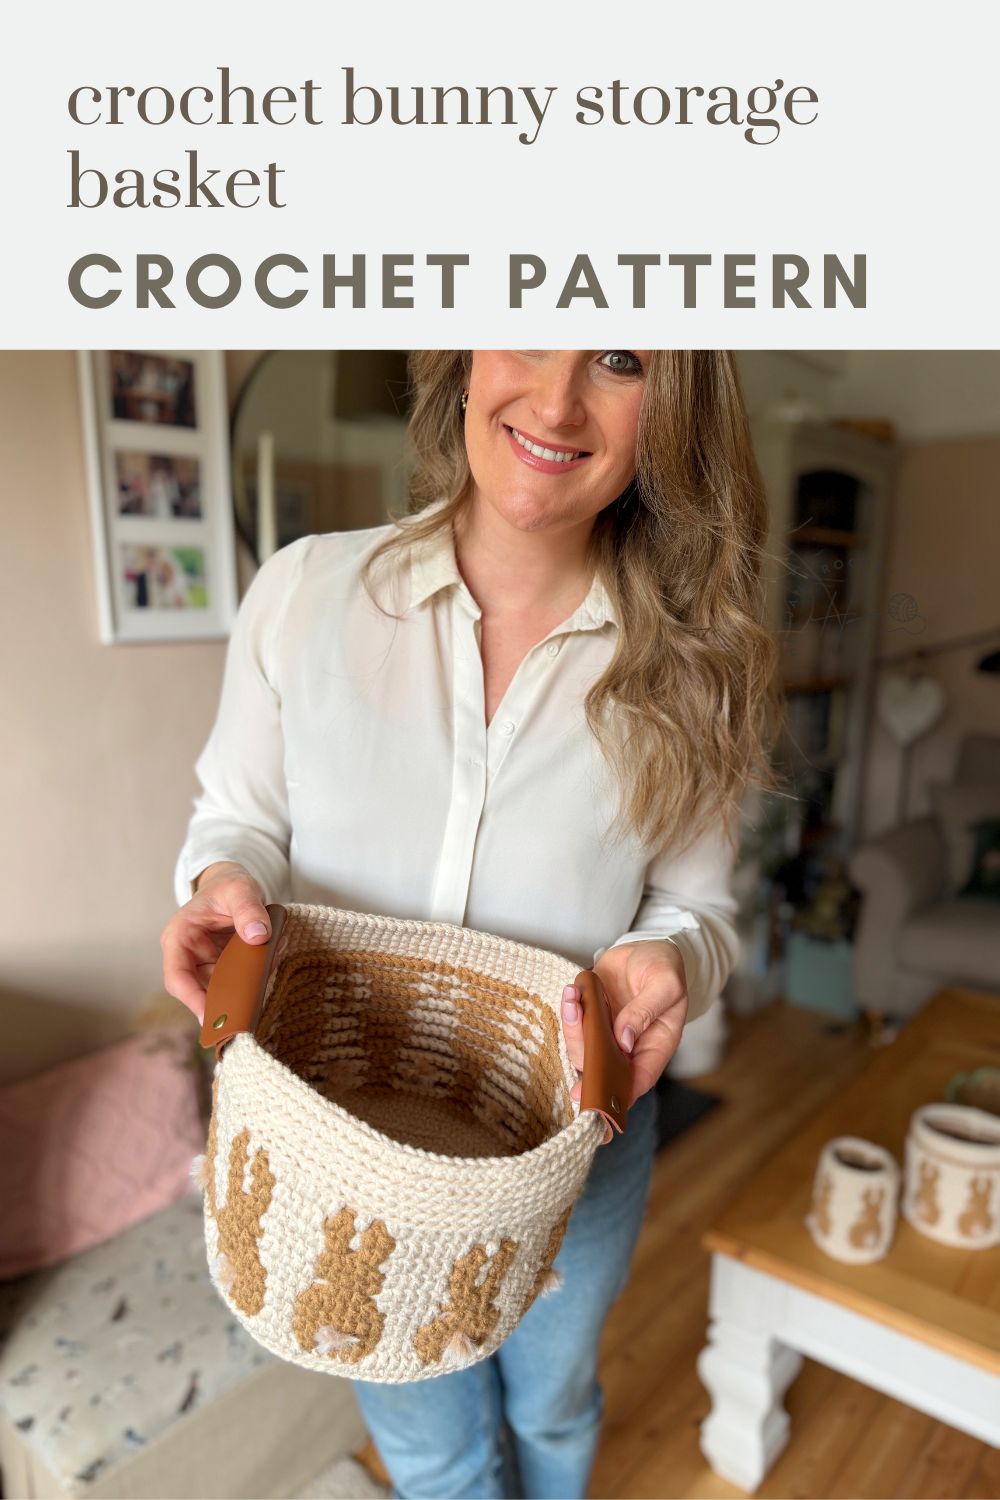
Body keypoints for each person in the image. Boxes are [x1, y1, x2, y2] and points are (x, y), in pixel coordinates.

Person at [161, 349, 778, 1500]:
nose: (554, 401)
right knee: (435, 1452)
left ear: (676, 402)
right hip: (339, 1149)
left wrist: (672, 955)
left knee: (550, 1405)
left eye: (621, 357)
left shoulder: (699, 669)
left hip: (574, 1149)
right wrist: (219, 883)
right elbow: (237, 819)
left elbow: (699, 908)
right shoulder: (305, 592)